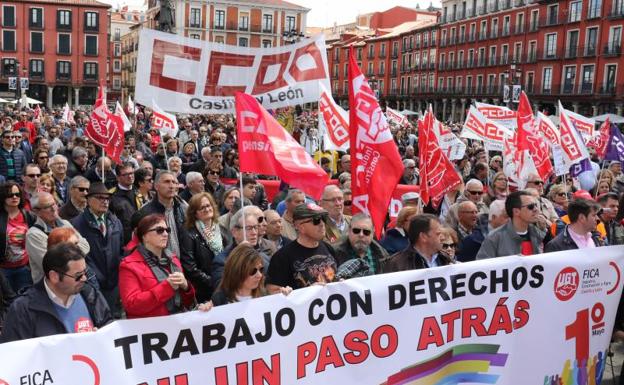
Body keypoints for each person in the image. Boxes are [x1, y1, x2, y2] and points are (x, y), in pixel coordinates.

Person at [0, 243, 112, 343]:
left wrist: (102, 336)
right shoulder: (23, 309)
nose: (84, 278)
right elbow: (14, 355)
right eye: (78, 275)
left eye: (85, 272)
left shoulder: (90, 294)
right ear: (54, 276)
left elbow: (109, 327)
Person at [119, 214, 195, 319]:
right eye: (159, 230)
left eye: (167, 230)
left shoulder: (173, 259)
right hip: (149, 330)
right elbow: (131, 305)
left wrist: (186, 287)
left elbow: (187, 302)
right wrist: (167, 287)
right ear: (144, 236)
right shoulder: (129, 266)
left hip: (177, 324)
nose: (165, 234)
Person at [71, 183, 124, 315]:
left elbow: (121, 250)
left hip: (114, 283)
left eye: (107, 198)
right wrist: (94, 276)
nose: (105, 201)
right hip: (92, 284)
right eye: (100, 198)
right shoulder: (76, 224)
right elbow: (79, 256)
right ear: (88, 200)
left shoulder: (115, 222)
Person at [266, 203, 338, 291]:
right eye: (316, 220)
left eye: (323, 218)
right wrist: (306, 292)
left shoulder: (328, 248)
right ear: (300, 226)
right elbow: (272, 291)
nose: (322, 224)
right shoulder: (282, 257)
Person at [26, 192, 90, 282]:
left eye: (54, 203)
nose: (53, 208)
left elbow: (86, 246)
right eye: (47, 206)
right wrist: (74, 246)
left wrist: (62, 251)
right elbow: (51, 265)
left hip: (78, 279)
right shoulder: (33, 235)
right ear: (36, 211)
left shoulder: (65, 223)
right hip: (53, 288)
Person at [131, 171, 188, 260]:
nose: (171, 186)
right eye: (167, 182)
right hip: (157, 265)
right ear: (156, 186)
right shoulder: (145, 212)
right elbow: (138, 244)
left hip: (184, 264)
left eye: (174, 182)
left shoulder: (183, 207)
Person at [180, 192, 224, 303]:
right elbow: (190, 267)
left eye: (208, 205)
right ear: (195, 214)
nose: (206, 209)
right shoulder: (188, 233)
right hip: (204, 292)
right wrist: (213, 282)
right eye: (201, 208)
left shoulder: (222, 230)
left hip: (225, 286)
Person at [476, 191, 546, 259]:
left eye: (536, 205)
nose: (536, 209)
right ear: (516, 211)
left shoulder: (537, 234)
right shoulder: (494, 238)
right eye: (530, 207)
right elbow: (483, 266)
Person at [211, 207, 270, 286]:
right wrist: (239, 257)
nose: (254, 233)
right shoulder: (222, 261)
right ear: (234, 232)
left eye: (255, 227)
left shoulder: (264, 256)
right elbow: (221, 288)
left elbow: (272, 282)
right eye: (249, 228)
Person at [381, 214, 452, 272]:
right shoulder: (397, 265)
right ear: (423, 237)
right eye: (438, 234)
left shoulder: (445, 259)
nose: (443, 238)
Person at [211, 244, 276, 306]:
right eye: (253, 271)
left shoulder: (266, 297)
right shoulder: (219, 300)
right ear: (237, 271)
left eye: (261, 269)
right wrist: (205, 311)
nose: (259, 275)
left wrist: (284, 298)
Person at [0, 182, 36, 293]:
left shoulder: (29, 216)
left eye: (17, 194)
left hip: (24, 267)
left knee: (24, 298)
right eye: (10, 195)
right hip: (3, 269)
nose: (14, 197)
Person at [110, 163, 141, 244]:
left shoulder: (140, 191)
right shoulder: (111, 196)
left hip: (141, 238)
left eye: (131, 173)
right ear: (118, 178)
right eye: (125, 174)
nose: (130, 176)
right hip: (123, 241)